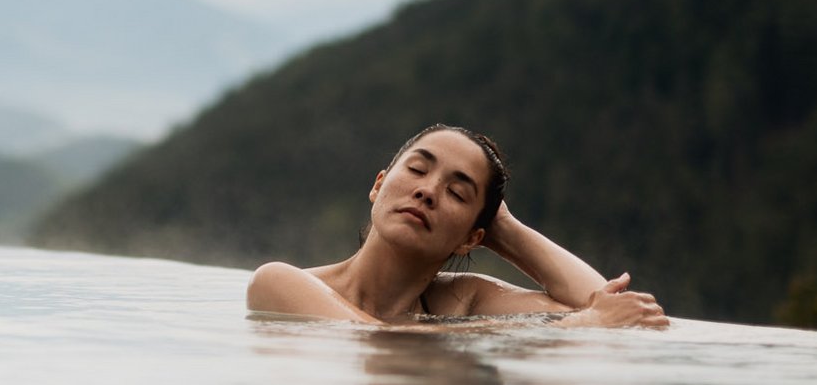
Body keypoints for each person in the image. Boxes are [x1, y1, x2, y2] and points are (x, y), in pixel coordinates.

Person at [246, 124, 669, 328]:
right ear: (379, 185)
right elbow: (369, 340)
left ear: (473, 237)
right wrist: (582, 326)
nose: (428, 191)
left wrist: (505, 228)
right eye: (417, 169)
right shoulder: (280, 283)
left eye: (457, 192)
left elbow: (599, 302)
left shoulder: (462, 301)